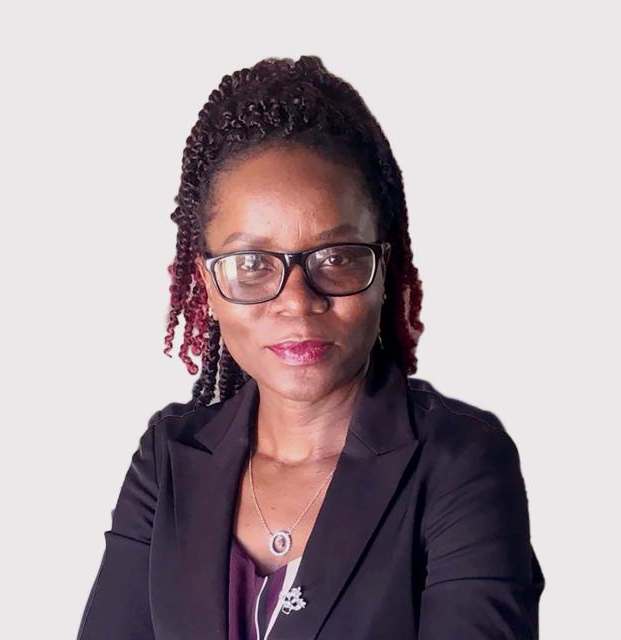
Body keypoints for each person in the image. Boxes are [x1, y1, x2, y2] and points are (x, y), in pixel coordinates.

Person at [76, 55, 545, 640]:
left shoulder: (460, 463)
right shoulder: (168, 458)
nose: (297, 302)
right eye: (251, 263)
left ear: (383, 270)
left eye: (336, 257)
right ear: (207, 286)